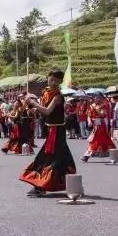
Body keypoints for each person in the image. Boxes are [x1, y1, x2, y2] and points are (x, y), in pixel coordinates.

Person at [19, 69, 76, 197]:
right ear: (48, 79)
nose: (54, 82)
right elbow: (42, 110)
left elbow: (47, 111)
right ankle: (72, 184)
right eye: (51, 79)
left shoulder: (58, 96)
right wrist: (34, 110)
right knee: (62, 158)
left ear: (61, 81)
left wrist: (33, 103)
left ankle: (41, 186)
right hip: (51, 130)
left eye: (57, 80)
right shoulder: (46, 92)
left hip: (58, 131)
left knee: (47, 159)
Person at [82, 92, 116, 162]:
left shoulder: (104, 105)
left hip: (101, 126)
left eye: (99, 97)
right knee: (96, 140)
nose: (97, 98)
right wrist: (89, 121)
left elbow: (103, 115)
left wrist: (96, 109)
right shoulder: (92, 105)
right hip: (95, 125)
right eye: (96, 97)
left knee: (98, 140)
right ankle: (86, 156)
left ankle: (86, 156)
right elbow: (88, 115)